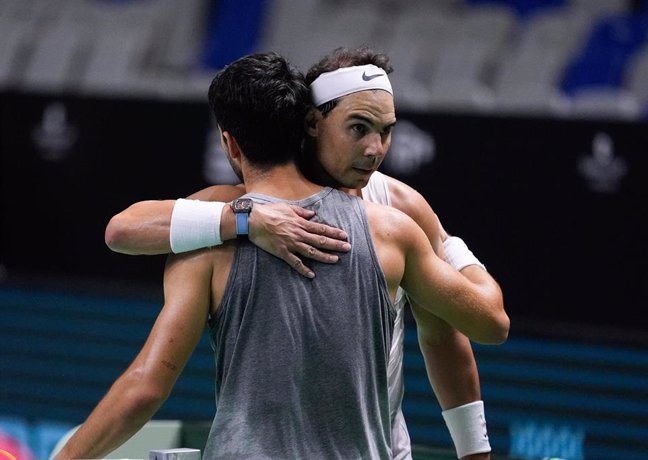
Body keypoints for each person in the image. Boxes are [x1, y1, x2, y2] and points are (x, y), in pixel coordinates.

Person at [56, 52, 508, 460]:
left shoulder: (399, 211)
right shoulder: (393, 231)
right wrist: (246, 220)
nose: (374, 150)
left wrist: (447, 243)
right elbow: (124, 229)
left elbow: (450, 332)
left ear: (230, 144)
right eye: (358, 128)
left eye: (385, 131)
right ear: (310, 123)